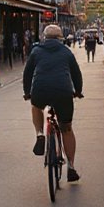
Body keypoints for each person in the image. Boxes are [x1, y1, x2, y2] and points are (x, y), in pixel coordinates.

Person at [24, 25, 84, 182]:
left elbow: (27, 73)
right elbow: (76, 74)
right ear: (61, 38)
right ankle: (71, 167)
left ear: (44, 37)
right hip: (63, 93)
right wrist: (78, 91)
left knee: (36, 107)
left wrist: (27, 93)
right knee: (67, 128)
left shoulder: (36, 51)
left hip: (40, 91)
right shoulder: (66, 52)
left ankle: (39, 134)